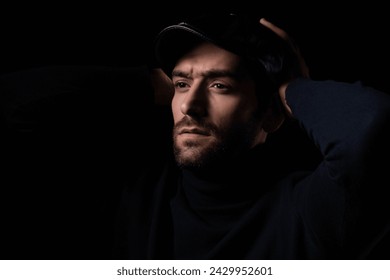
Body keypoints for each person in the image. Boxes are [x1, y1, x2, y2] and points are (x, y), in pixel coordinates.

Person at [1, 11, 389, 260]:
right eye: (182, 85)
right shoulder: (129, 197)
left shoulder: (311, 213)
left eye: (220, 85)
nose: (190, 106)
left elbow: (371, 126)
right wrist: (154, 83)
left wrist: (292, 88)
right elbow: (13, 102)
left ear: (271, 116)